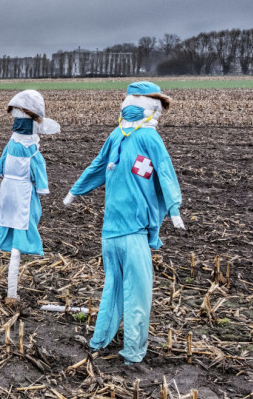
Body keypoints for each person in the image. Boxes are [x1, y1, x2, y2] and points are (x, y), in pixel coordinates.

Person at [64, 81, 184, 364]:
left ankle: (99, 340)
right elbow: (165, 171)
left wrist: (74, 191)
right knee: (137, 293)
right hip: (133, 233)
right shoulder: (150, 138)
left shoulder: (115, 135)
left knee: (113, 287)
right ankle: (132, 351)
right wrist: (174, 208)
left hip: (110, 233)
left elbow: (97, 166)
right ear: (151, 110)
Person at [0, 90, 60, 305]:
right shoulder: (32, 149)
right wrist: (43, 189)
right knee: (18, 239)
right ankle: (12, 293)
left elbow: (1, 161)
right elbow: (39, 170)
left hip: (7, 191)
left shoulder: (12, 143)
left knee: (0, 232)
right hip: (23, 193)